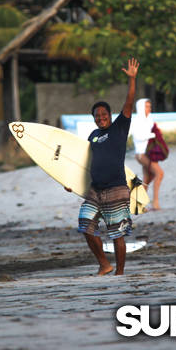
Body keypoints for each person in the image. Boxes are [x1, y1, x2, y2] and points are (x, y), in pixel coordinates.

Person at [73, 58, 139, 276]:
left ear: (110, 116)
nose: (101, 118)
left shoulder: (119, 127)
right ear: (93, 119)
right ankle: (104, 264)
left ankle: (119, 272)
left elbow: (129, 103)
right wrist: (70, 182)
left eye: (104, 115)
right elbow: (85, 163)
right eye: (97, 116)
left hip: (116, 188)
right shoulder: (93, 135)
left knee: (116, 234)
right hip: (95, 190)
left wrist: (132, 80)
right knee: (85, 225)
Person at [131, 98, 164, 210]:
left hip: (148, 153)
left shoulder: (149, 119)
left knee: (148, 177)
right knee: (159, 173)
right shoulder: (137, 120)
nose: (149, 108)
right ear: (140, 107)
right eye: (146, 106)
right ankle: (155, 203)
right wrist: (153, 135)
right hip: (141, 154)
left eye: (150, 106)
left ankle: (139, 204)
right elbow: (137, 137)